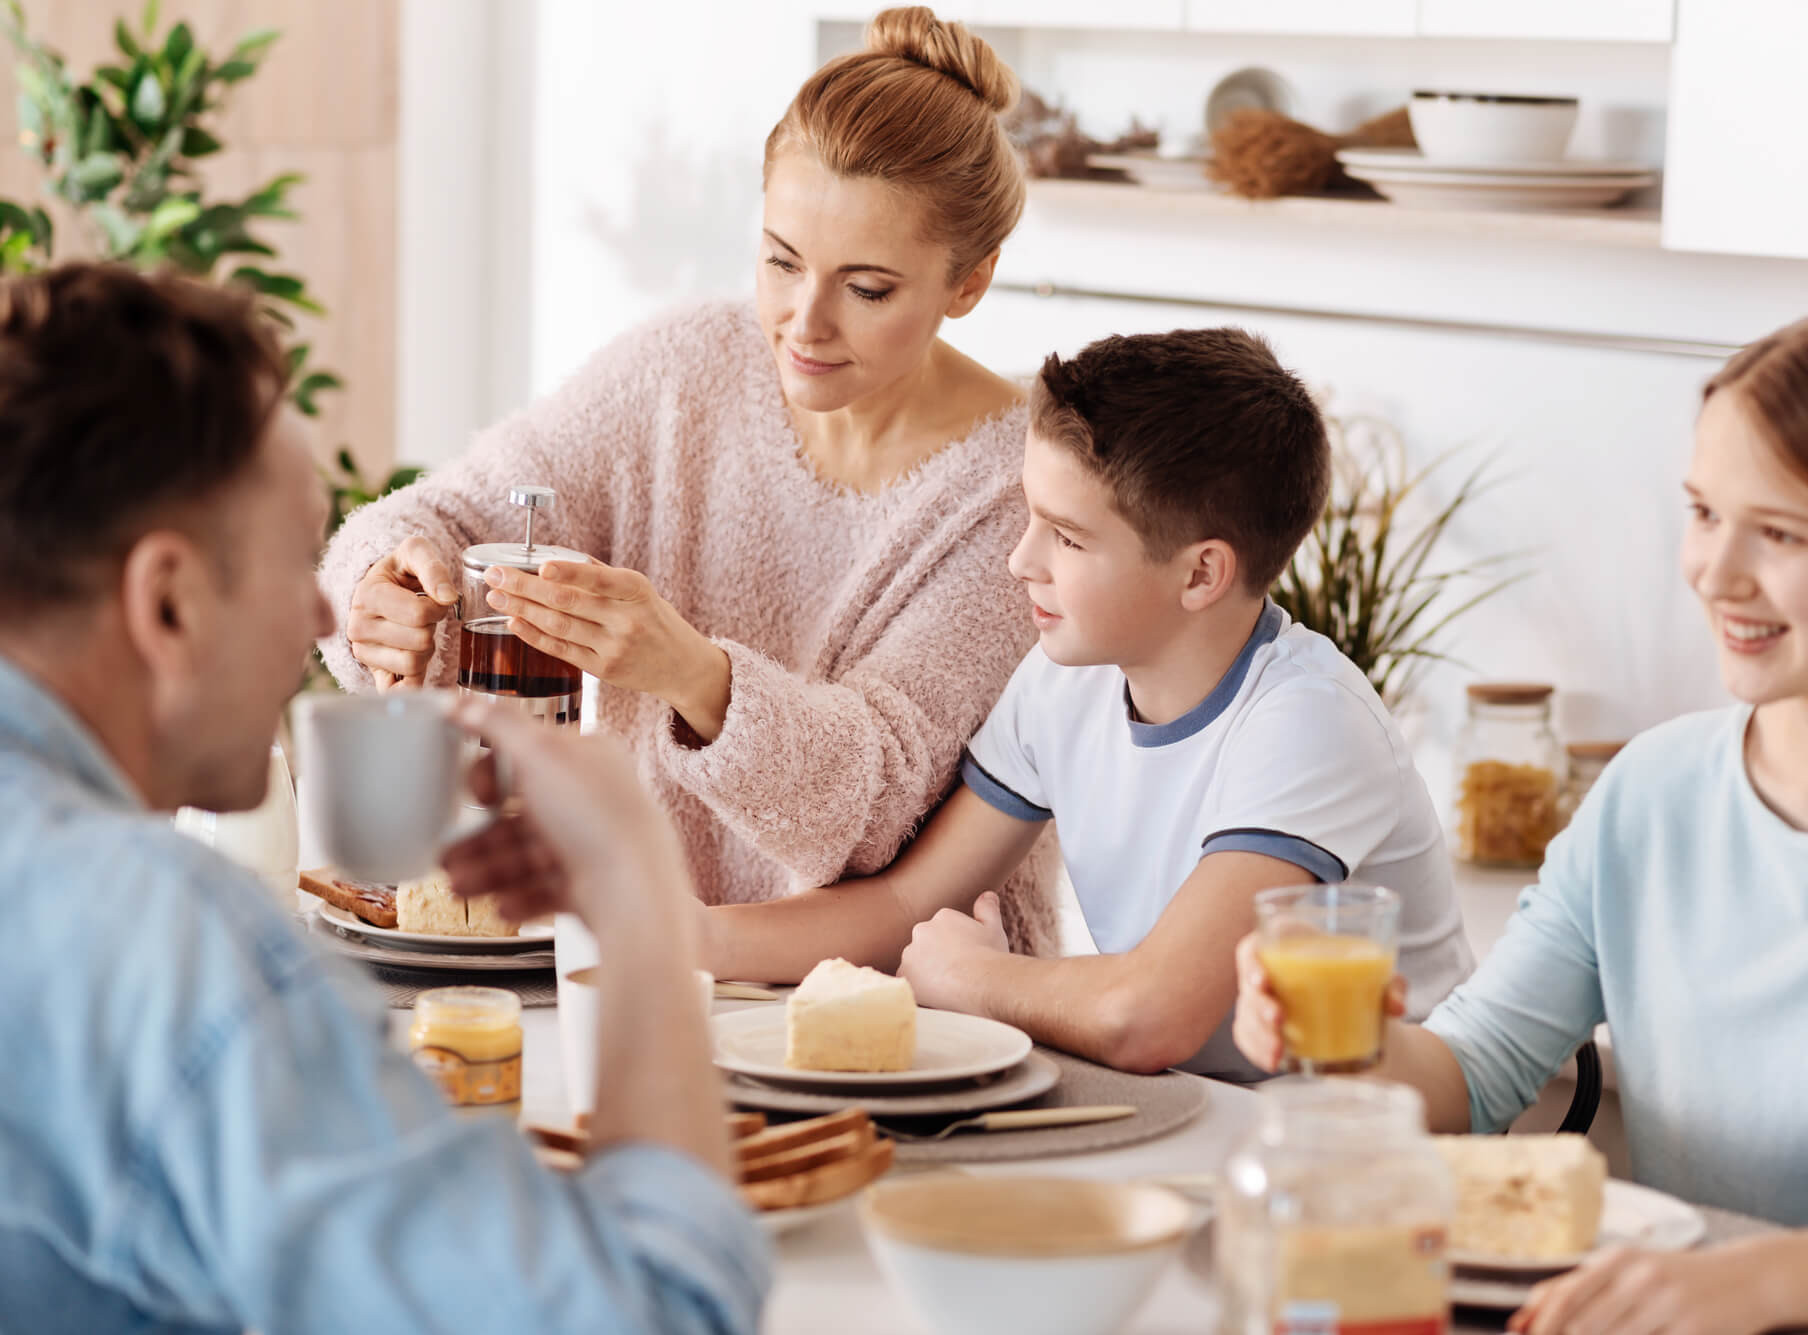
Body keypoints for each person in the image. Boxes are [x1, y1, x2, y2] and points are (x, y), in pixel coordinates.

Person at [0, 263, 766, 1333]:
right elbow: (647, 1317)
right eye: (293, 561)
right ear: (167, 601)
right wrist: (634, 897)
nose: (322, 609)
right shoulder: (170, 950)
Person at [1232, 303, 1808, 1334]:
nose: (1714, 573)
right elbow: (1472, 1069)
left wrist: (1747, 1286)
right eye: (1701, 512)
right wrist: (1344, 1048)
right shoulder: (1654, 794)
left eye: (1777, 532)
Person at [317, 6, 1061, 950]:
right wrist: (384, 581)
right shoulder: (684, 369)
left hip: (919, 1011)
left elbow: (876, 805)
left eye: (867, 288)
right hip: (648, 957)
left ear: (970, 281)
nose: (803, 321)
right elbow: (453, 513)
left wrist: (691, 674)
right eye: (780, 261)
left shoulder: (1017, 490)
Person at [701, 327, 1474, 1079]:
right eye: (1030, 517)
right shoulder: (1066, 678)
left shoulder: (1310, 722)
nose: (1019, 559)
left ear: (1201, 574)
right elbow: (908, 899)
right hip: (1211, 1119)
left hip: (1379, 1148)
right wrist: (683, 935)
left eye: (1067, 538)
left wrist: (974, 979)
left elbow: (1148, 1015)